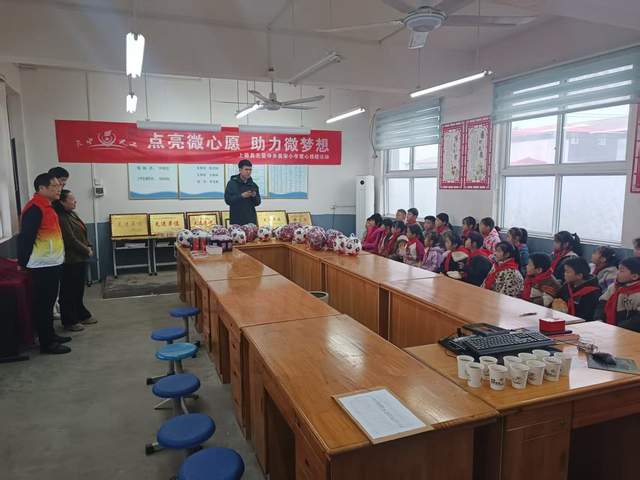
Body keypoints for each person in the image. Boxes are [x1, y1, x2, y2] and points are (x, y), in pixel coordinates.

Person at [17, 173, 71, 354]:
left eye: (59, 186)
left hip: (52, 263)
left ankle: (51, 335)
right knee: (43, 305)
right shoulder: (35, 208)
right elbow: (25, 237)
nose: (59, 189)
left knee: (48, 303)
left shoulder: (48, 206)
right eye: (54, 186)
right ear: (42, 188)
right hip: (41, 265)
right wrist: (22, 262)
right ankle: (47, 343)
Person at [54, 190, 95, 332]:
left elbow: (82, 232)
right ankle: (69, 320)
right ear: (62, 202)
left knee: (78, 290)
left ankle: (81, 314)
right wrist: (86, 250)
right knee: (69, 291)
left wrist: (89, 245)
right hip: (70, 260)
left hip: (80, 257)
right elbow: (70, 239)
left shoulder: (72, 214)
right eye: (71, 199)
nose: (75, 201)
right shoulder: (61, 217)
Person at [595, 257, 640, 332]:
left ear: (634, 276)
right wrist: (599, 318)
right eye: (618, 269)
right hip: (611, 329)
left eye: (621, 271)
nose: (617, 273)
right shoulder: (614, 287)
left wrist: (617, 328)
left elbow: (637, 320)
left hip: (630, 332)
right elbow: (602, 303)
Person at [224, 159, 261, 225]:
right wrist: (242, 196)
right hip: (237, 221)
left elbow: (258, 202)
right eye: (246, 169)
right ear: (240, 170)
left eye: (250, 170)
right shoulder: (232, 183)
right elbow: (228, 200)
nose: (248, 172)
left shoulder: (253, 185)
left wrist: (254, 196)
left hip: (251, 220)